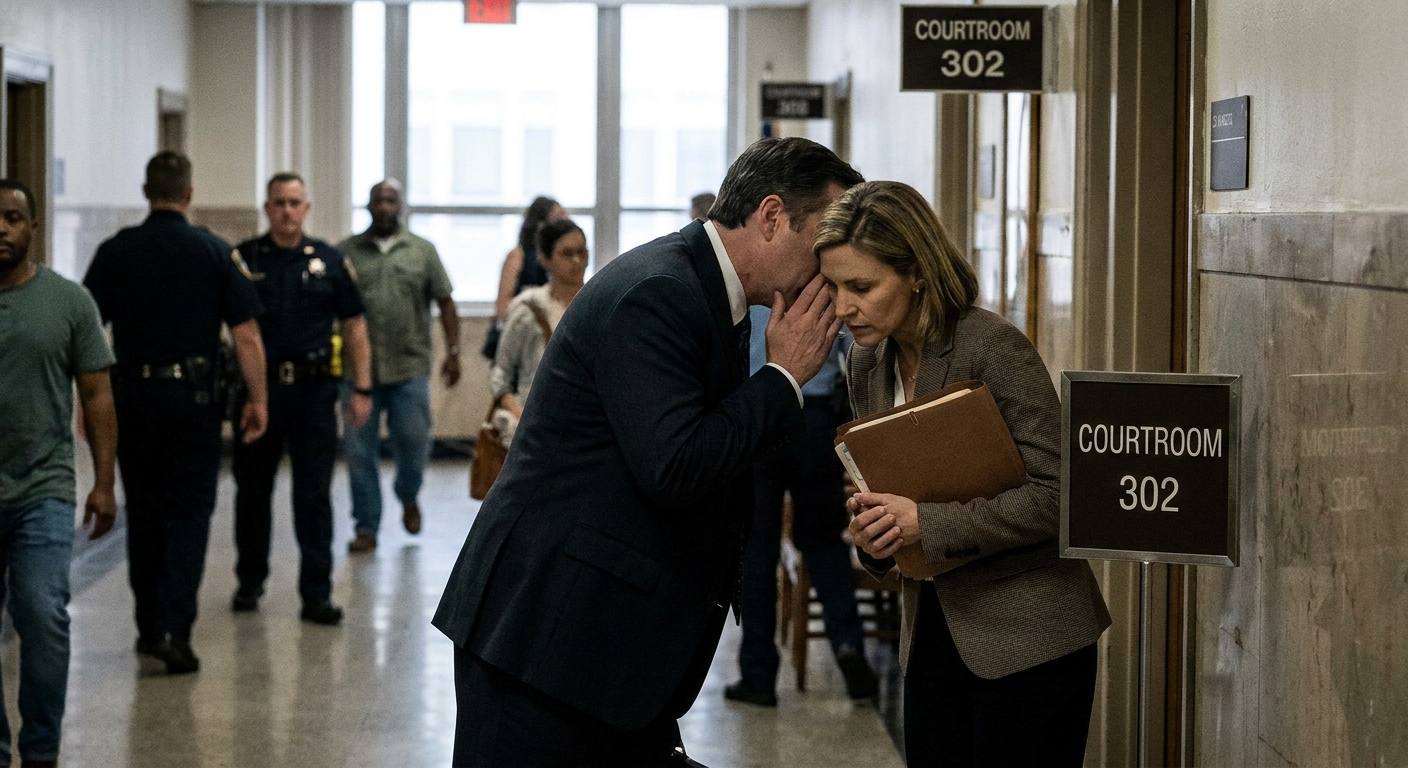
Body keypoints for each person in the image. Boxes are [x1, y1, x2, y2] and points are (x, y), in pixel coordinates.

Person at [434, 137, 864, 766]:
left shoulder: (710, 289)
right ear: (772, 217)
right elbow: (675, 464)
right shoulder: (660, 291)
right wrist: (782, 377)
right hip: (544, 640)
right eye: (822, 241)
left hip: (604, 646)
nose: (828, 266)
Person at [817, 181, 1111, 767]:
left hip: (1031, 639)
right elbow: (887, 493)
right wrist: (875, 538)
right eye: (833, 287)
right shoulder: (865, 362)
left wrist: (926, 522)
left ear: (918, 273)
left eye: (862, 287)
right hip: (929, 640)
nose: (843, 308)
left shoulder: (990, 346)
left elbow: (1062, 496)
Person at [84, 152, 269, 675]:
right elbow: (248, 335)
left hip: (131, 401)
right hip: (195, 405)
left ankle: (147, 628)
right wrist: (258, 400)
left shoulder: (115, 252)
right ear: (188, 194)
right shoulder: (214, 252)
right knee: (188, 516)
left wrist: (86, 404)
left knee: (143, 513)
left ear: (147, 191)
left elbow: (83, 332)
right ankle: (178, 634)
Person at [0, 179, 118, 768]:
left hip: (43, 485)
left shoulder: (69, 302)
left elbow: (96, 393)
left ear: (33, 227)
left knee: (41, 612)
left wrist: (103, 482)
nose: (1, 228)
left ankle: (40, 751)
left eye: (12, 217)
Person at [230, 173, 374, 625]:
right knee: (253, 493)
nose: (287, 210)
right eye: (279, 202)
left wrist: (363, 387)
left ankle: (316, 593)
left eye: (295, 202)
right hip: (259, 393)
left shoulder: (329, 260)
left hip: (314, 394)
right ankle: (250, 580)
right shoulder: (244, 260)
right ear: (267, 208)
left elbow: (354, 326)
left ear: (307, 208)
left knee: (313, 496)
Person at [725, 317, 877, 706]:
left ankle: (758, 676)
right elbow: (856, 353)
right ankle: (848, 647)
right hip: (815, 416)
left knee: (757, 550)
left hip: (757, 411)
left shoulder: (754, 279)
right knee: (824, 543)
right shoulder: (824, 278)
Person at [338, 180, 459, 552]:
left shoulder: (422, 251)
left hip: (409, 368)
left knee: (414, 443)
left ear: (401, 206)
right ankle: (366, 526)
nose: (385, 206)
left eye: (392, 200)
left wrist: (454, 351)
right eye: (379, 200)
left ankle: (408, 494)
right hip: (358, 373)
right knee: (359, 453)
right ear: (369, 206)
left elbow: (445, 302)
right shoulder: (345, 253)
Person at [488, 218, 587, 446]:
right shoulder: (528, 310)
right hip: (537, 430)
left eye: (582, 252)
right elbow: (500, 372)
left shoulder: (599, 304)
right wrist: (519, 416)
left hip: (586, 428)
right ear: (545, 259)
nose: (577, 261)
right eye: (567, 253)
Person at [492, 196, 566, 322]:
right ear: (541, 224)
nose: (564, 223)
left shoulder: (563, 261)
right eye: (558, 218)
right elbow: (502, 307)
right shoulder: (518, 256)